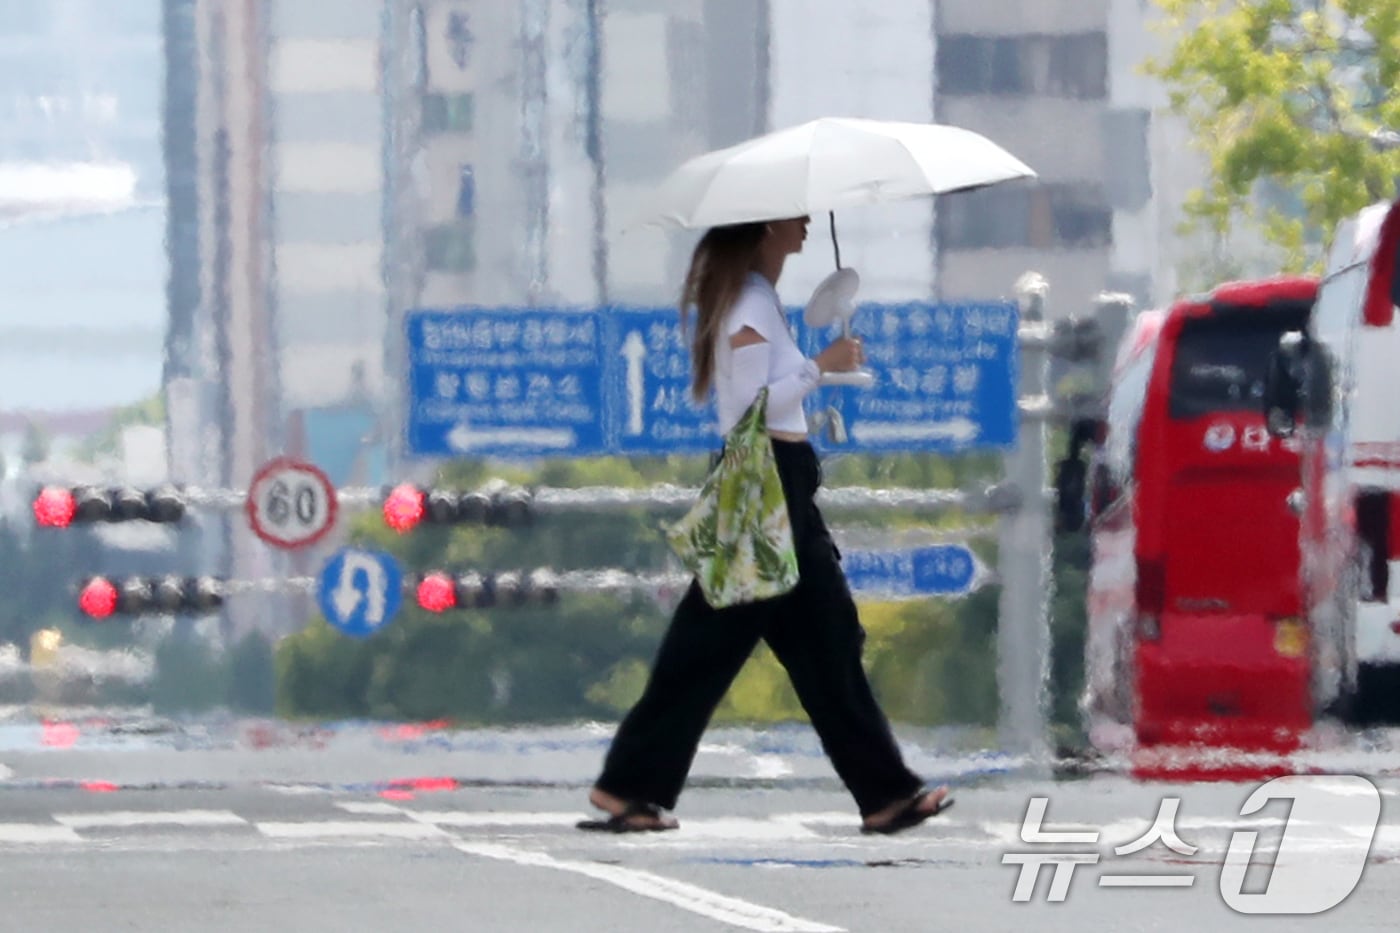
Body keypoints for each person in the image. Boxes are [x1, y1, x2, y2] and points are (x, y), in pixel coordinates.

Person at [578, 215, 953, 835]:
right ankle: (627, 785)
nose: (804, 222)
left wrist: (818, 366)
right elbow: (756, 405)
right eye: (790, 214)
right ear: (761, 229)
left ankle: (885, 794)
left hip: (781, 485)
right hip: (763, 486)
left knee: (825, 646)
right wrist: (819, 366)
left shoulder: (758, 300)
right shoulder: (749, 301)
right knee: (710, 646)